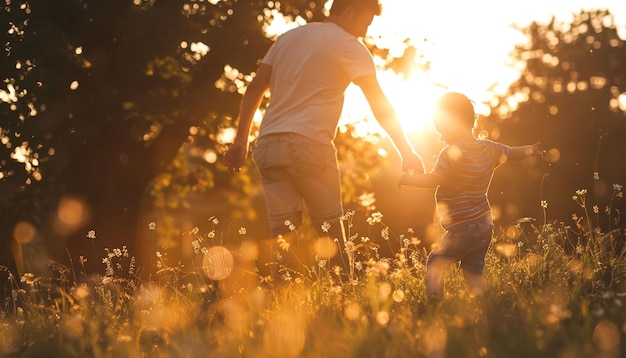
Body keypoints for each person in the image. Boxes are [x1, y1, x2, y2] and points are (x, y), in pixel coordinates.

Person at [224, 0, 424, 278]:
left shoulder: (287, 38)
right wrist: (406, 150)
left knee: (283, 236)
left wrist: (240, 141)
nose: (365, 31)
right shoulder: (350, 45)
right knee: (331, 233)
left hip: (268, 144)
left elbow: (256, 87)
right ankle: (344, 301)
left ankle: (284, 307)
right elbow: (378, 103)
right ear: (350, 10)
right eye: (365, 22)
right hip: (309, 145)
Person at [400, 92, 541, 299]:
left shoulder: (451, 153)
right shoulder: (490, 148)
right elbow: (512, 153)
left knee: (435, 262)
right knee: (473, 272)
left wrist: (407, 179)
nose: (439, 134)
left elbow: (433, 179)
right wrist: (531, 149)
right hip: (484, 226)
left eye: (441, 126)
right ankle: (484, 303)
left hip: (461, 227)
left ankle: (434, 299)